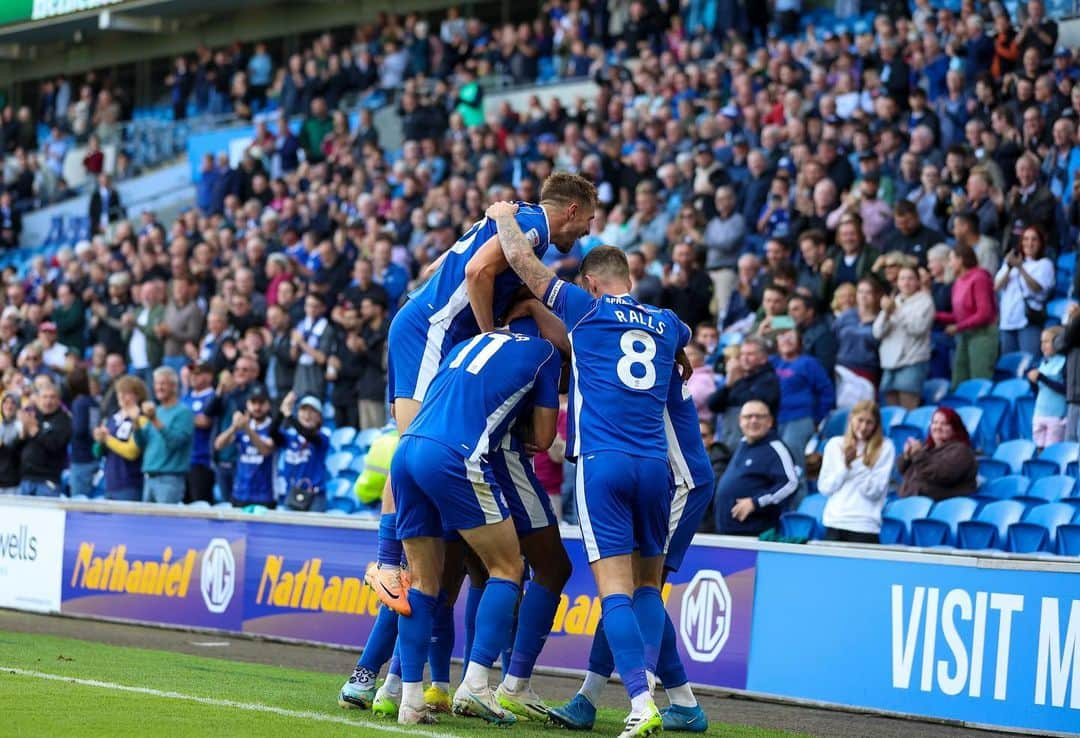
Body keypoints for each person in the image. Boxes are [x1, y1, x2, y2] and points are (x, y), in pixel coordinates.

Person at [492, 202, 688, 738]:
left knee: (615, 593)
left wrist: (504, 214)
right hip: (655, 468)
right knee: (648, 588)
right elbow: (685, 341)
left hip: (604, 465)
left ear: (594, 284)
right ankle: (656, 697)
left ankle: (641, 703)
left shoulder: (587, 309)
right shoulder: (668, 324)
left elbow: (522, 263)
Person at [372, 172, 596, 616]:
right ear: (570, 210)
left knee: (419, 442)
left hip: (425, 324)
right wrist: (487, 331)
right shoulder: (531, 228)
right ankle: (384, 562)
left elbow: (448, 264)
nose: (586, 232)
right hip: (433, 331)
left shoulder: (515, 220)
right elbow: (476, 271)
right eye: (586, 221)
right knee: (412, 443)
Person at [387, 319, 561, 726]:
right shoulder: (546, 353)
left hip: (408, 448)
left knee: (425, 584)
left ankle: (410, 700)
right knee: (508, 568)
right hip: (456, 455)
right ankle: (478, 683)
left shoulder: (468, 343)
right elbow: (543, 437)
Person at [549, 365, 715, 733]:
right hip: (667, 475)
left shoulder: (624, 355)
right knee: (627, 590)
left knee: (640, 590)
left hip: (682, 482)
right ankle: (683, 704)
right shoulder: (651, 346)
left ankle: (640, 697)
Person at [713, 400, 799, 535]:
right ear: (740, 421)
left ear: (770, 421)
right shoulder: (742, 445)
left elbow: (790, 483)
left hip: (754, 536)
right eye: (748, 417)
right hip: (727, 532)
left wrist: (755, 503)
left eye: (759, 416)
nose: (753, 421)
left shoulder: (776, 448)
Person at [770, 327, 834, 502]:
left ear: (799, 341)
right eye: (782, 336)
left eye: (791, 336)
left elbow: (826, 391)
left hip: (800, 418)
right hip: (773, 421)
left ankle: (799, 506)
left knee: (793, 464)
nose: (786, 340)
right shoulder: (772, 362)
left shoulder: (809, 363)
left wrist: (817, 418)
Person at [817, 400, 895, 543]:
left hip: (865, 526)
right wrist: (844, 466)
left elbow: (874, 492)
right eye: (860, 420)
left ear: (876, 425)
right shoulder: (834, 444)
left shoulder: (885, 447)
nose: (864, 427)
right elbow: (825, 488)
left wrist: (857, 464)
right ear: (851, 419)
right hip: (835, 522)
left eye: (869, 422)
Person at [874, 265, 934, 410]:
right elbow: (877, 332)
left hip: (911, 361)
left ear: (918, 281)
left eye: (910, 278)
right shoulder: (894, 300)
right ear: (897, 282)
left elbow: (918, 328)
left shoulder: (925, 301)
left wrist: (895, 311)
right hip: (889, 363)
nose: (906, 283)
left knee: (908, 410)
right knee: (891, 411)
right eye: (902, 279)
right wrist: (886, 314)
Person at [937, 244, 998, 388]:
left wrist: (957, 327)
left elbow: (984, 313)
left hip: (982, 335)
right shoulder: (958, 282)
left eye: (951, 259)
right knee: (959, 379)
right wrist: (934, 315)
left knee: (979, 378)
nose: (950, 264)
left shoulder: (980, 278)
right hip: (964, 335)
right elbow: (960, 315)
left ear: (961, 259)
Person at [994, 224, 1054, 357]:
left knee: (1029, 361)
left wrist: (1021, 268)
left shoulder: (1045, 264)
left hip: (1028, 321)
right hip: (1007, 321)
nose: (1029, 243)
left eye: (1034, 239)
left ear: (1040, 243)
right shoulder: (1011, 262)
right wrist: (1010, 267)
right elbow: (997, 286)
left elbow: (1037, 288)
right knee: (1008, 365)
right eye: (1026, 239)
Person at [137, 366, 194, 504]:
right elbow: (142, 443)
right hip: (149, 477)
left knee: (165, 524)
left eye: (163, 383)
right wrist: (135, 423)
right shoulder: (157, 411)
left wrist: (154, 419)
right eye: (156, 383)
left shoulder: (183, 413)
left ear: (174, 386)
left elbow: (175, 442)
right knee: (146, 525)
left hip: (170, 479)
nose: (159, 387)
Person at [214, 383, 276, 508]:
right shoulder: (242, 427)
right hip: (240, 494)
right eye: (254, 403)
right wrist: (234, 427)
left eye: (261, 403)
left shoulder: (273, 428)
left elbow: (265, 450)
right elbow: (218, 445)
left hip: (264, 496)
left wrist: (246, 428)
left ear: (268, 405)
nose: (257, 407)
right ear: (248, 405)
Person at [898, 407, 978, 500]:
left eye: (944, 424)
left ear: (955, 428)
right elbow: (903, 471)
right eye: (934, 423)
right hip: (912, 500)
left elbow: (942, 474)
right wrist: (906, 456)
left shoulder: (961, 451)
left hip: (942, 506)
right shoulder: (927, 448)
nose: (938, 427)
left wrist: (918, 454)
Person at [271, 392, 331, 512]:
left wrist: (289, 416)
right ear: (298, 413)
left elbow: (307, 434)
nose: (307, 415)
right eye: (303, 410)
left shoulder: (323, 437)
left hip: (315, 496)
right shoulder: (289, 437)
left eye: (312, 411)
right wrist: (281, 411)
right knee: (288, 529)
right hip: (292, 493)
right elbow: (272, 432)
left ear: (319, 417)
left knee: (315, 530)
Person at [93, 375, 147, 501]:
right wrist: (99, 441)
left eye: (127, 393)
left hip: (130, 483)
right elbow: (97, 453)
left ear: (137, 396)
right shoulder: (113, 419)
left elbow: (131, 452)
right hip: (110, 483)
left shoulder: (141, 419)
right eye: (119, 392)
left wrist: (107, 439)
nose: (121, 396)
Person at [17, 380, 72, 497]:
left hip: (47, 481)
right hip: (25, 479)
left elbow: (56, 445)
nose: (48, 401)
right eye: (44, 397)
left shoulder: (64, 420)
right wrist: (22, 435)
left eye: (52, 397)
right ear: (38, 399)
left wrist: (35, 431)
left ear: (58, 400)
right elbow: (17, 447)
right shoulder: (32, 415)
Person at [182, 362, 216, 503]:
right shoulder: (186, 397)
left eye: (198, 373)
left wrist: (182, 418)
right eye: (192, 373)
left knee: (200, 504)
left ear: (209, 376)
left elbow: (205, 422)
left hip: (202, 460)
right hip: (184, 461)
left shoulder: (213, 397)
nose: (193, 377)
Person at [1028, 327, 1067, 449]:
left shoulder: (1064, 362)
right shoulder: (1042, 363)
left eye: (1047, 341)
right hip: (1039, 413)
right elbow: (1038, 390)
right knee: (1039, 449)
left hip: (1056, 416)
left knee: (1052, 452)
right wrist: (1032, 382)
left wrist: (1041, 378)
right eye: (1041, 342)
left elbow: (1065, 389)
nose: (1043, 345)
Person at [67, 367, 99, 497]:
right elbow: (94, 429)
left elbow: (79, 430)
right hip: (92, 456)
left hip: (80, 459)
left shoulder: (79, 403)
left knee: (79, 502)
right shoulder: (93, 403)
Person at [0, 392, 22, 494]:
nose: (9, 406)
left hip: (14, 481)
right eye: (6, 402)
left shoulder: (20, 426)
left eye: (13, 403)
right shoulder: (0, 426)